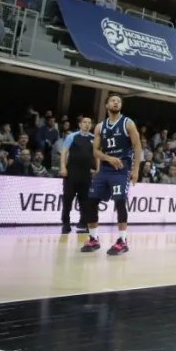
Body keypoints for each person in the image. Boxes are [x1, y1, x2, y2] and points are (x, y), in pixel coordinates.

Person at [81, 94, 141, 256]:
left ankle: (122, 241)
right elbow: (95, 151)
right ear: (106, 105)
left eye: (119, 101)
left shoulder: (127, 123)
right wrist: (109, 158)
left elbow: (137, 146)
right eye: (113, 100)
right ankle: (93, 239)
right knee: (90, 202)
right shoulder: (100, 127)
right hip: (106, 169)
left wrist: (135, 170)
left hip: (122, 169)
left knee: (120, 201)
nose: (116, 102)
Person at [59, 116, 94, 234]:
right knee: (68, 198)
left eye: (89, 123)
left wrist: (98, 169)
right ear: (80, 124)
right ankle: (65, 223)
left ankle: (83, 222)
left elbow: (97, 155)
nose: (87, 124)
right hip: (72, 172)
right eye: (84, 122)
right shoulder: (72, 136)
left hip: (86, 173)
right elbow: (64, 152)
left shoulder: (93, 138)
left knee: (85, 199)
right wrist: (63, 167)